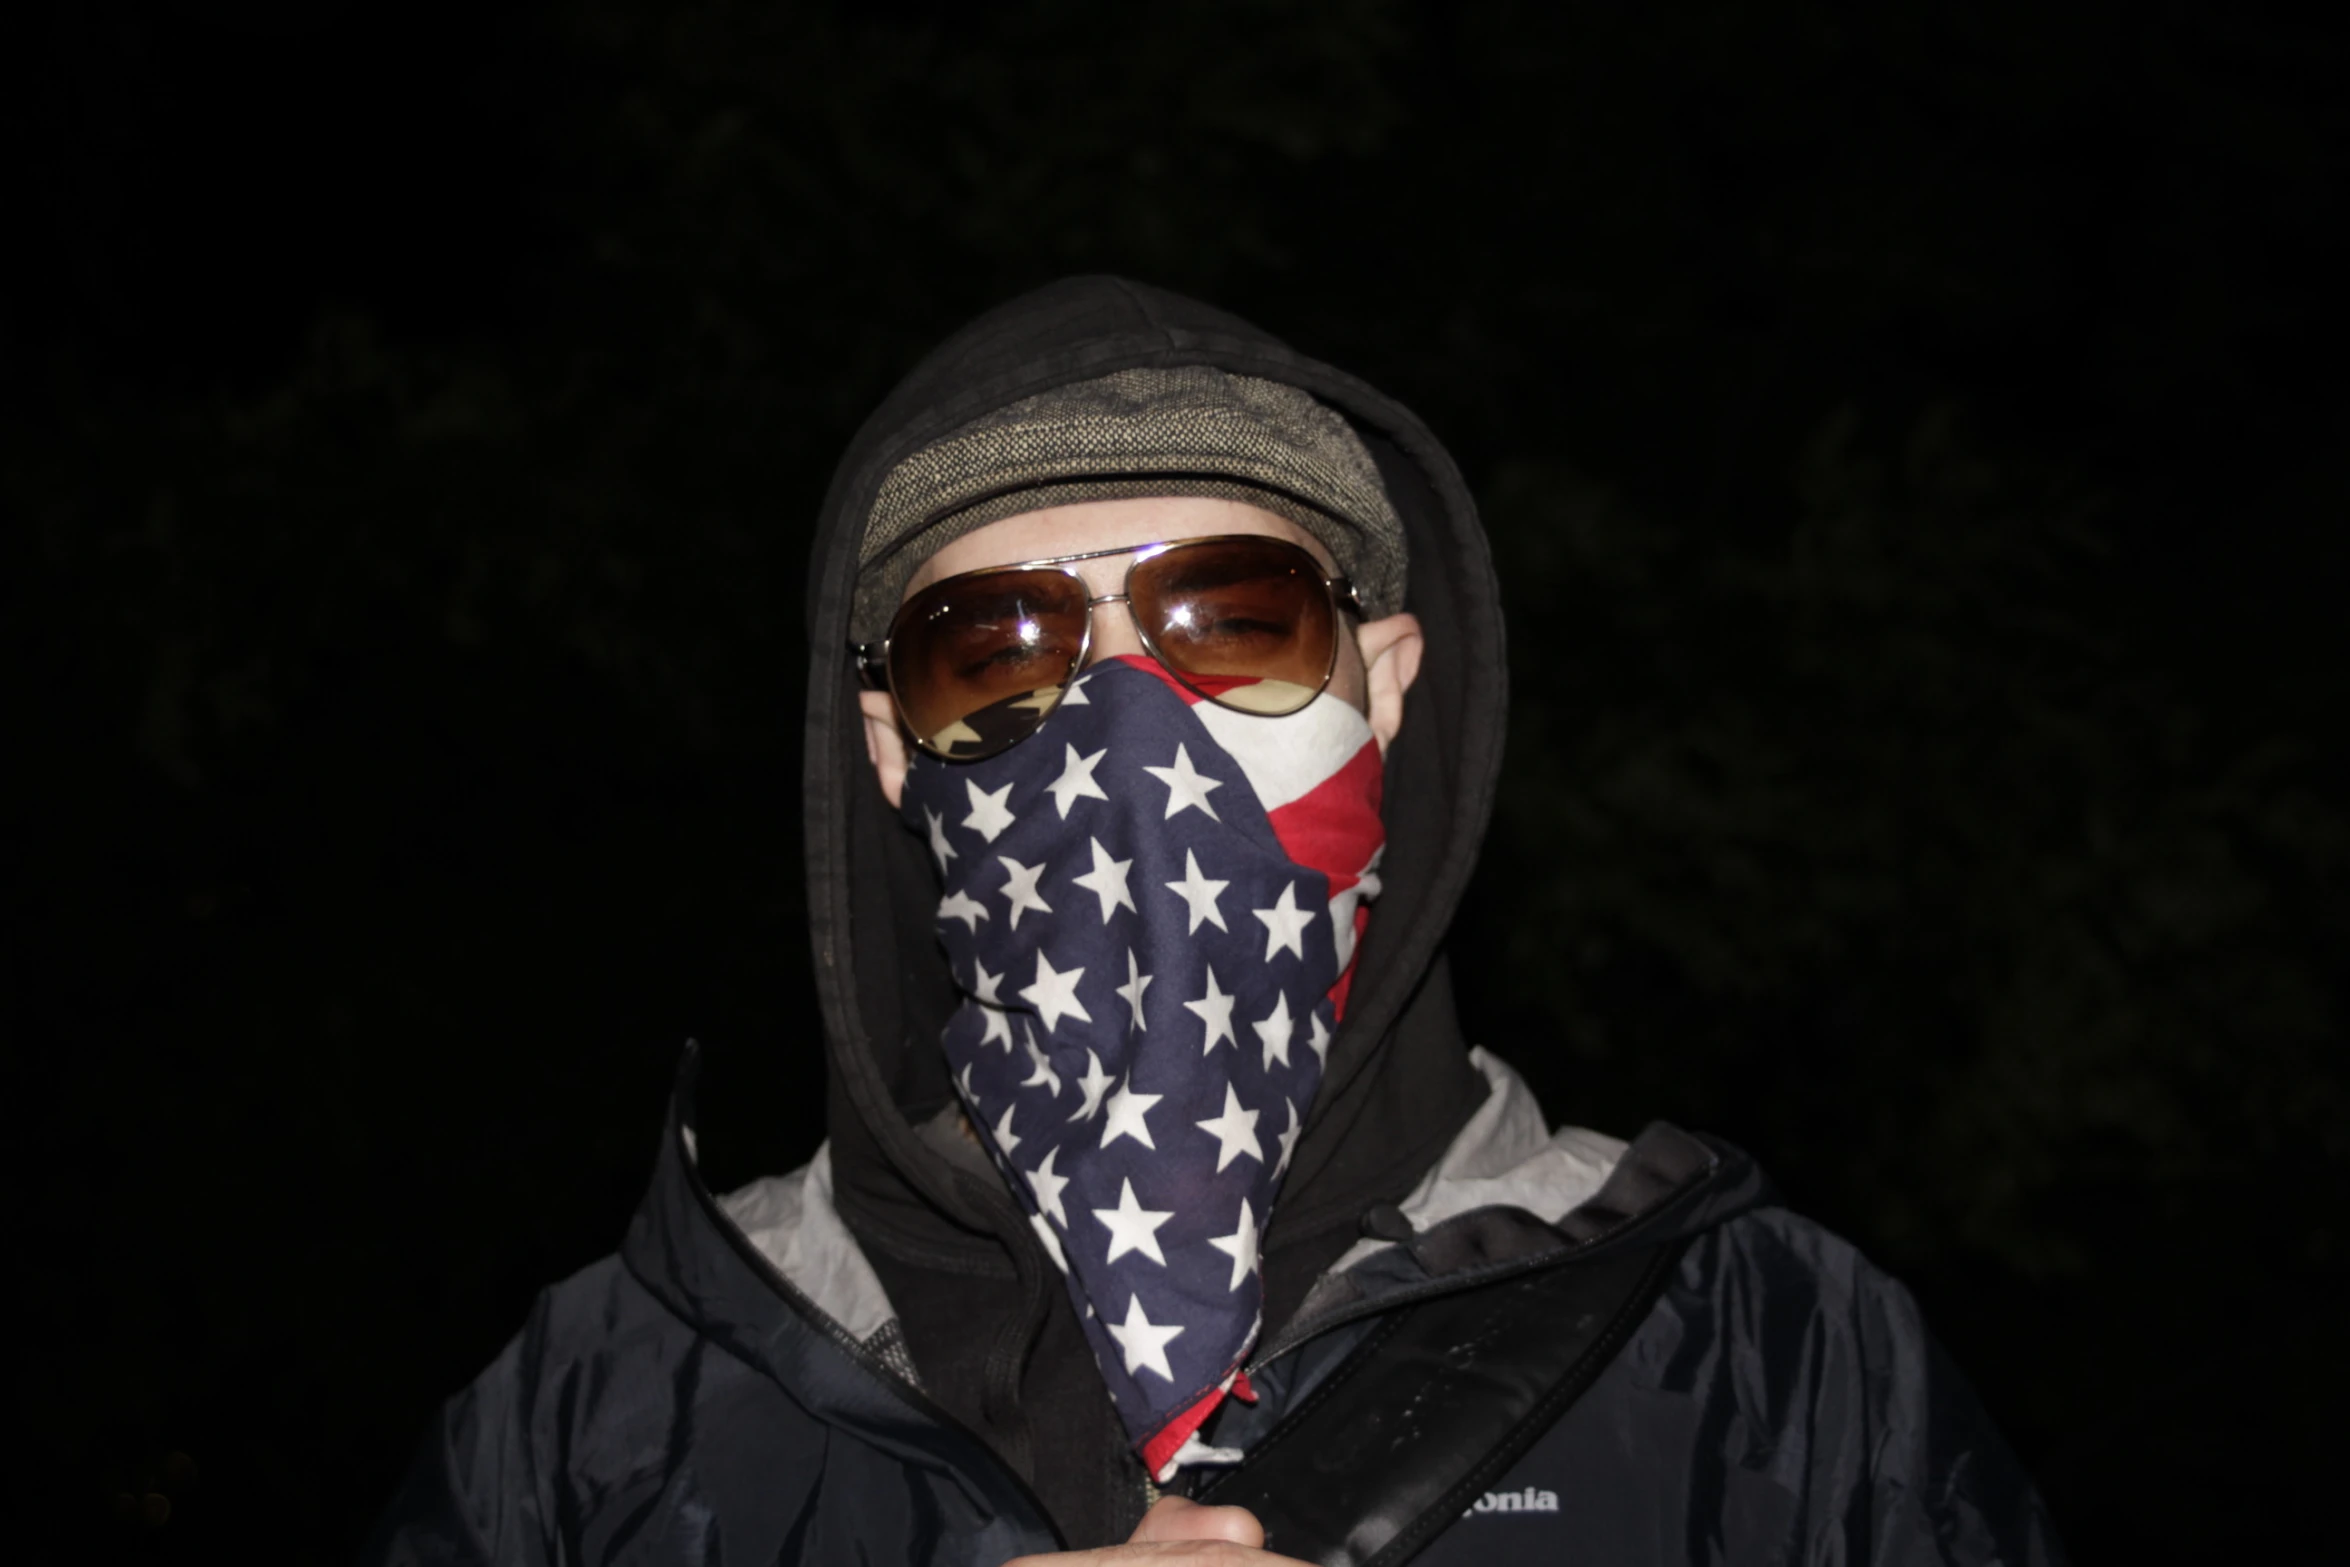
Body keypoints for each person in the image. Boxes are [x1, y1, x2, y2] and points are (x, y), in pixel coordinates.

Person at [364, 277, 2065, 1566]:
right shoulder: (615, 1391)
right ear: (891, 743)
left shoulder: (1767, 1351)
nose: (1126, 732)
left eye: (1230, 620)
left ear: (1384, 686)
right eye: (997, 647)